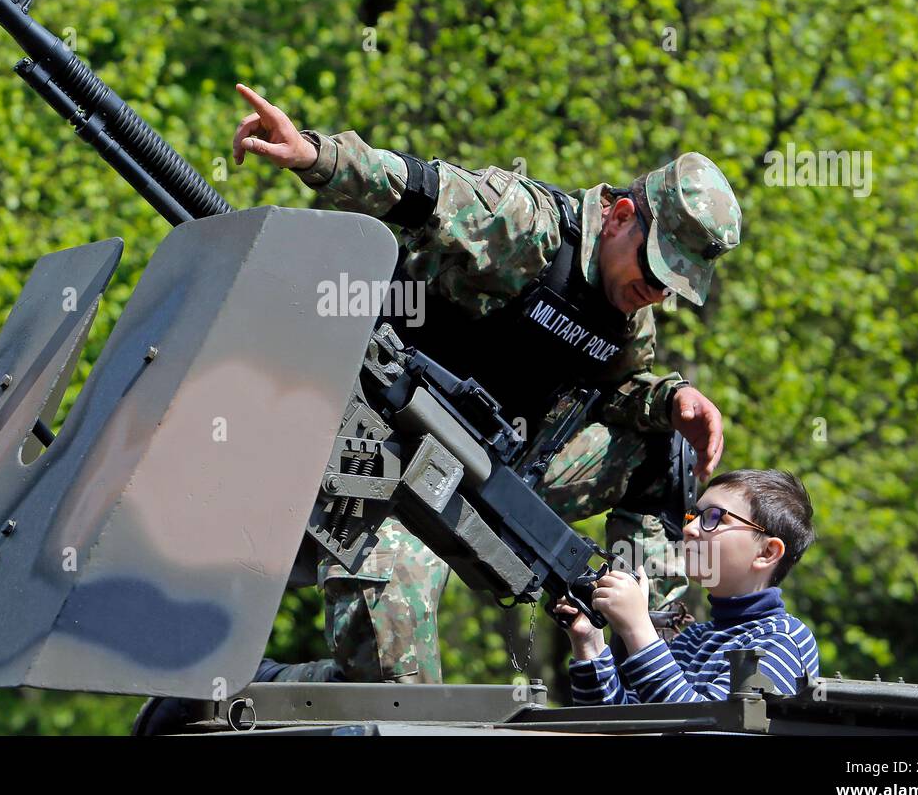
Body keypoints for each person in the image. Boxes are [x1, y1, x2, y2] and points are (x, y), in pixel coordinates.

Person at [233, 82, 741, 683]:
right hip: (377, 453)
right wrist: (318, 157)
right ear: (620, 218)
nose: (655, 293)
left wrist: (669, 399)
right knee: (399, 691)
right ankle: (250, 693)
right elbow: (420, 190)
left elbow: (615, 396)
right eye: (654, 270)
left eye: (670, 287)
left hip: (489, 477)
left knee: (665, 448)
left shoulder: (631, 319)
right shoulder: (526, 225)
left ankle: (649, 653)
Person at [555, 469, 819, 704]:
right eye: (694, 515)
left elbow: (703, 728)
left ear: (767, 552)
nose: (690, 529)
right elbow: (621, 722)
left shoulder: (783, 639)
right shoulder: (692, 639)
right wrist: (589, 642)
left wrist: (638, 627)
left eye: (715, 517)